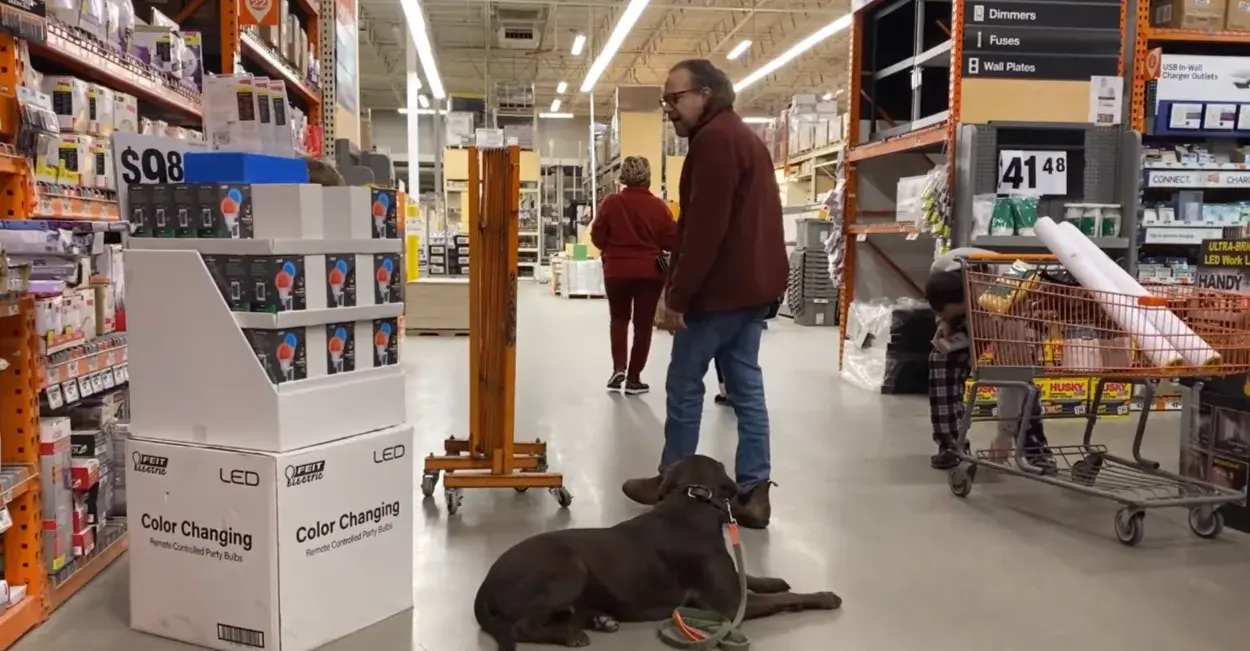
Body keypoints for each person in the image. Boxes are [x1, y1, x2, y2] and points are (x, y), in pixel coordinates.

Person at [621, 59, 788, 530]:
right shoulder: (745, 140)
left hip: (718, 294)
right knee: (745, 390)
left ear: (707, 94)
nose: (669, 109)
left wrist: (677, 296)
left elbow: (704, 230)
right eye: (666, 101)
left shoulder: (714, 142)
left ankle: (671, 481)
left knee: (684, 385)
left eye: (675, 98)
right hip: (752, 291)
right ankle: (755, 494)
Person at [926, 248, 1055, 471]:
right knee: (941, 358)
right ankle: (951, 445)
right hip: (979, 308)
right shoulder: (943, 268)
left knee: (1023, 381)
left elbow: (1013, 372)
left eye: (958, 315)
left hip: (1014, 316)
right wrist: (945, 322)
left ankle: (1034, 449)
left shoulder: (1008, 292)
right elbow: (939, 299)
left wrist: (1004, 433)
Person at [590, 156, 676, 395]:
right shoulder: (659, 207)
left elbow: (597, 236)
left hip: (615, 271)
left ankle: (618, 367)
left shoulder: (610, 203)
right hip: (649, 272)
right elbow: (671, 240)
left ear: (623, 178)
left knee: (618, 319)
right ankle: (635, 379)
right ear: (648, 177)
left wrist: (613, 249)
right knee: (643, 325)